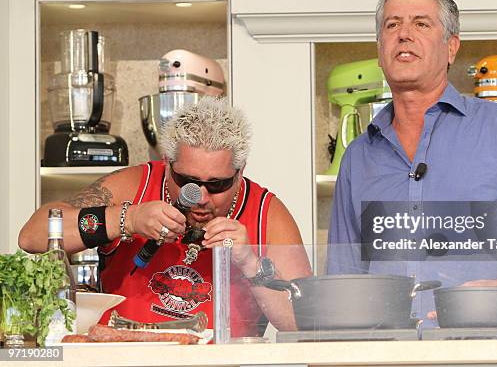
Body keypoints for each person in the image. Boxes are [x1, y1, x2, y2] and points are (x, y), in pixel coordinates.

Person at [327, 0, 497, 327]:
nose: (404, 34)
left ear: (451, 47)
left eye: (421, 24)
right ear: (380, 49)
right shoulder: (358, 156)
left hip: (491, 351)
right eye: (392, 24)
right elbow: (344, 277)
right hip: (388, 356)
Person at [20, 97, 312, 335]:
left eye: (218, 184)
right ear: (169, 163)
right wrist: (128, 219)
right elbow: (32, 235)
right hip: (125, 358)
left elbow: (306, 324)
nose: (201, 197)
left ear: (240, 171)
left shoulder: (266, 213)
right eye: (187, 181)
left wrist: (250, 262)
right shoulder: (135, 186)